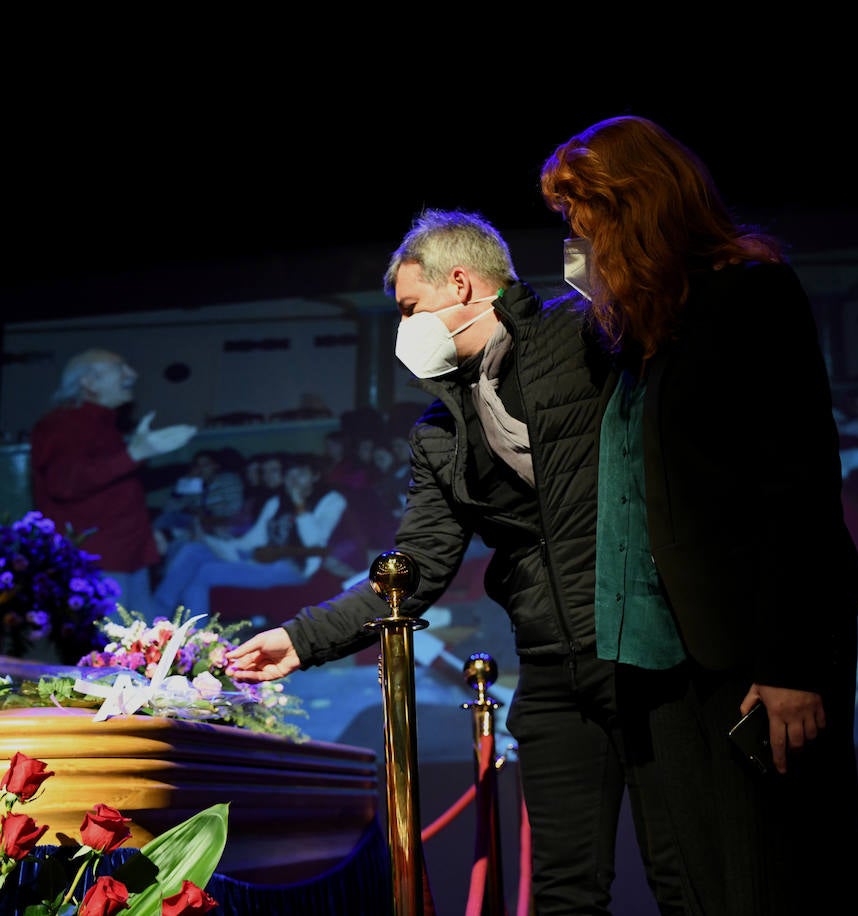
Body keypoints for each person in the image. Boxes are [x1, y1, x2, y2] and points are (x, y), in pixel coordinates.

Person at [223, 209, 614, 912]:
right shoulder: (439, 432)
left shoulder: (574, 337)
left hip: (645, 650)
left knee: (689, 871)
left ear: (461, 284)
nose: (404, 330)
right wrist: (299, 638)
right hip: (555, 665)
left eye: (409, 309)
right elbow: (416, 569)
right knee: (566, 893)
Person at [539, 114, 858, 914]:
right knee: (704, 889)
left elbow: (794, 482)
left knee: (777, 881)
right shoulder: (638, 336)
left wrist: (789, 662)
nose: (577, 243)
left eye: (583, 220)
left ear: (635, 208)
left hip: (757, 655)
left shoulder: (748, 294)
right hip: (661, 660)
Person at [30, 348, 197, 617]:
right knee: (111, 652)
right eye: (120, 367)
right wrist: (135, 453)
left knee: (139, 650)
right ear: (88, 382)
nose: (133, 374)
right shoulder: (63, 424)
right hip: (98, 562)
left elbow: (113, 494)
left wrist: (146, 537)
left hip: (124, 556)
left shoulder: (102, 424)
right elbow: (64, 483)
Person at [151, 452, 348, 615]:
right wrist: (212, 541)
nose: (294, 481)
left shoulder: (331, 500)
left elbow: (315, 544)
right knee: (193, 549)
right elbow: (252, 541)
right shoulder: (276, 501)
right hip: (262, 558)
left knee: (203, 572)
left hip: (294, 567)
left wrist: (299, 505)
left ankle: (166, 619)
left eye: (301, 475)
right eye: (289, 476)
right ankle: (164, 614)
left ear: (315, 476)